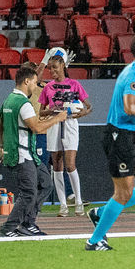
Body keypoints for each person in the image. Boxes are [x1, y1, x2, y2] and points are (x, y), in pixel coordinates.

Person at [84, 35, 135, 251]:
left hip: (130, 136)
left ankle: (101, 213)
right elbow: (130, 107)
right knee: (124, 193)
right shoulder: (134, 74)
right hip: (118, 136)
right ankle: (94, 241)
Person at [0, 65, 67, 237]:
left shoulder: (8, 100)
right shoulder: (23, 103)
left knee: (46, 184)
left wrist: (2, 145)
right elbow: (36, 128)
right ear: (26, 81)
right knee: (28, 193)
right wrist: (57, 118)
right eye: (34, 82)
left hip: (27, 154)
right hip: (23, 155)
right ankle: (8, 228)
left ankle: (28, 223)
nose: (36, 86)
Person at [39, 52, 92, 216]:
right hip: (54, 123)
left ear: (63, 66)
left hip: (70, 124)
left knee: (70, 164)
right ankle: (63, 205)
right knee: (57, 164)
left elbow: (88, 106)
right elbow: (41, 112)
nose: (52, 72)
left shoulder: (74, 84)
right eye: (50, 69)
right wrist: (51, 110)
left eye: (54, 68)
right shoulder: (48, 87)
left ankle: (78, 202)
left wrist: (82, 113)